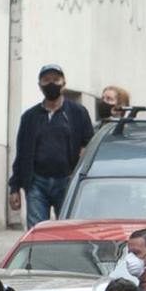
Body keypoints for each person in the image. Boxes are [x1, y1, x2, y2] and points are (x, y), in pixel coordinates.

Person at [11, 64, 97, 225]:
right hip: (36, 182)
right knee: (36, 232)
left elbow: (89, 144)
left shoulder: (77, 113)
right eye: (46, 80)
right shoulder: (30, 117)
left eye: (55, 80)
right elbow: (22, 153)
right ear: (39, 85)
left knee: (69, 229)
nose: (51, 84)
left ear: (64, 84)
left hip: (67, 181)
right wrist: (14, 187)